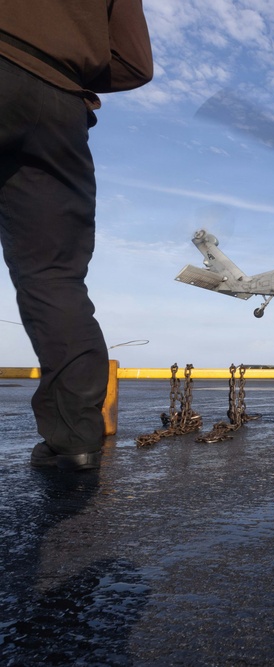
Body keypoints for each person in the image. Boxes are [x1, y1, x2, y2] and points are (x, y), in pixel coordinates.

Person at [1, 1, 154, 472]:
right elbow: (135, 63)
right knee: (55, 277)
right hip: (60, 106)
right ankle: (74, 442)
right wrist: (64, 64)